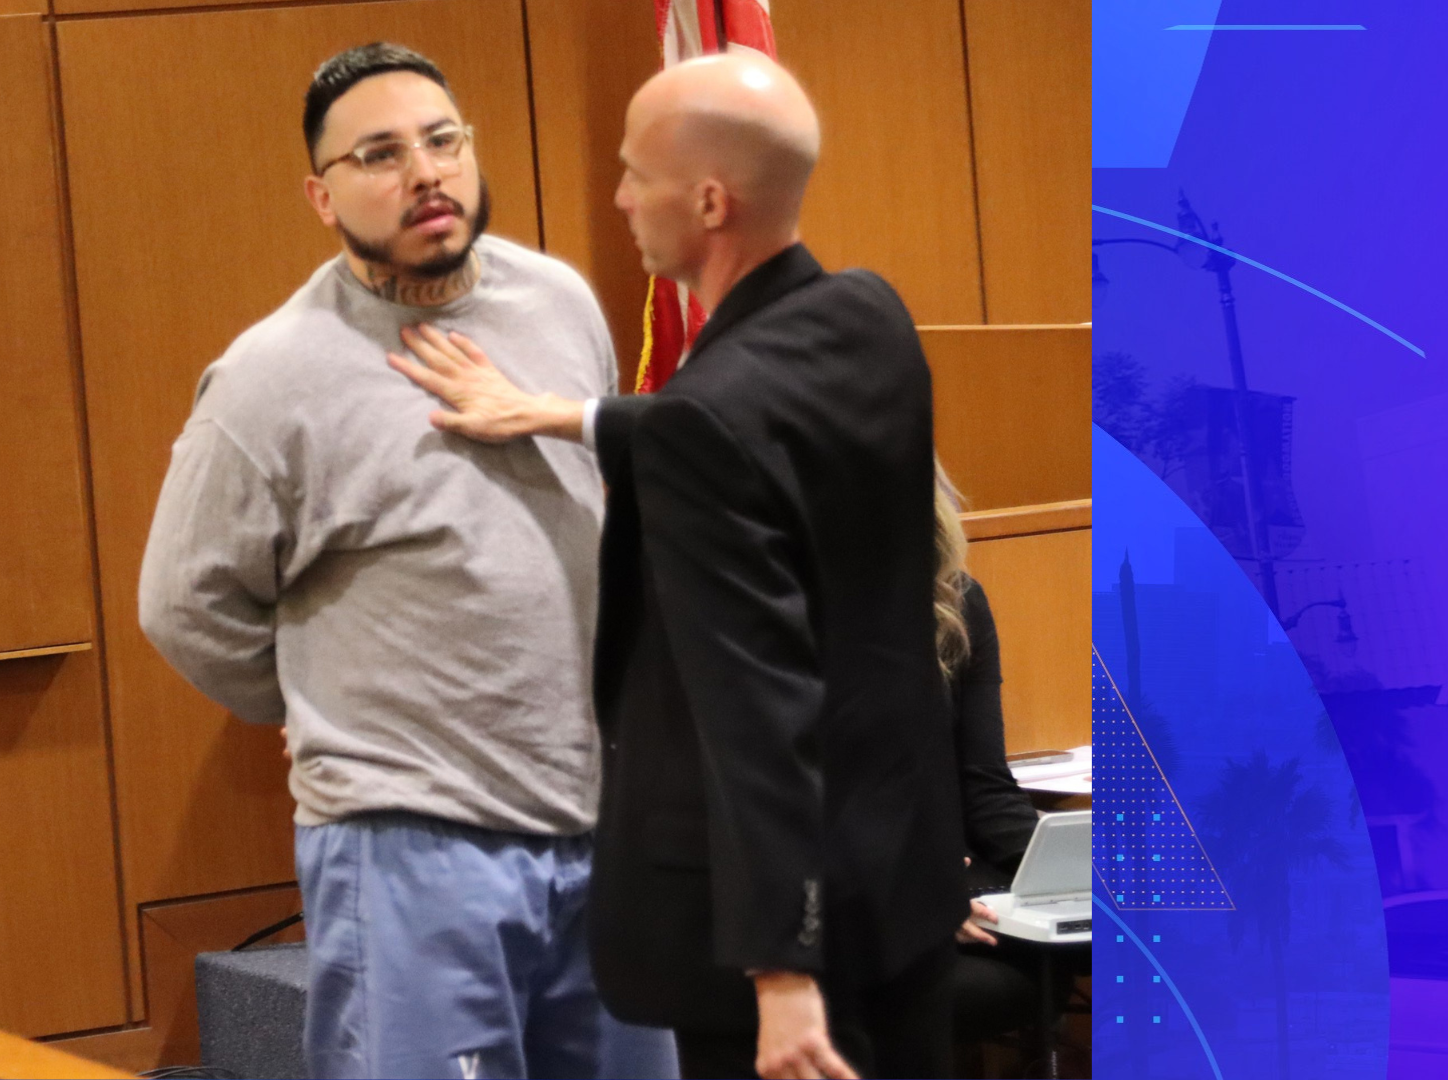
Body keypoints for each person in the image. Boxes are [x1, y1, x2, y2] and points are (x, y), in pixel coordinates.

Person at [386, 52, 968, 1079]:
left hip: (783, 959)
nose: (617, 198)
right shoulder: (867, 317)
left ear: (708, 200)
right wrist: (575, 414)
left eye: (632, 173)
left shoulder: (709, 424)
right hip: (903, 893)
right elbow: (752, 426)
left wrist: (781, 979)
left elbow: (757, 707)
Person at [137, 42, 676, 1080]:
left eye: (442, 140)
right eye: (379, 155)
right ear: (322, 197)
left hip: (599, 824)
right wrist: (308, 701)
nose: (425, 172)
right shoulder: (270, 377)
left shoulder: (560, 301)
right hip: (411, 844)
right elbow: (182, 603)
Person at [932, 466, 1077, 1051]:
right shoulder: (797, 607)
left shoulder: (958, 602)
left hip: (958, 868)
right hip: (844, 882)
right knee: (987, 980)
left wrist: (1075, 873)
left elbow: (986, 787)